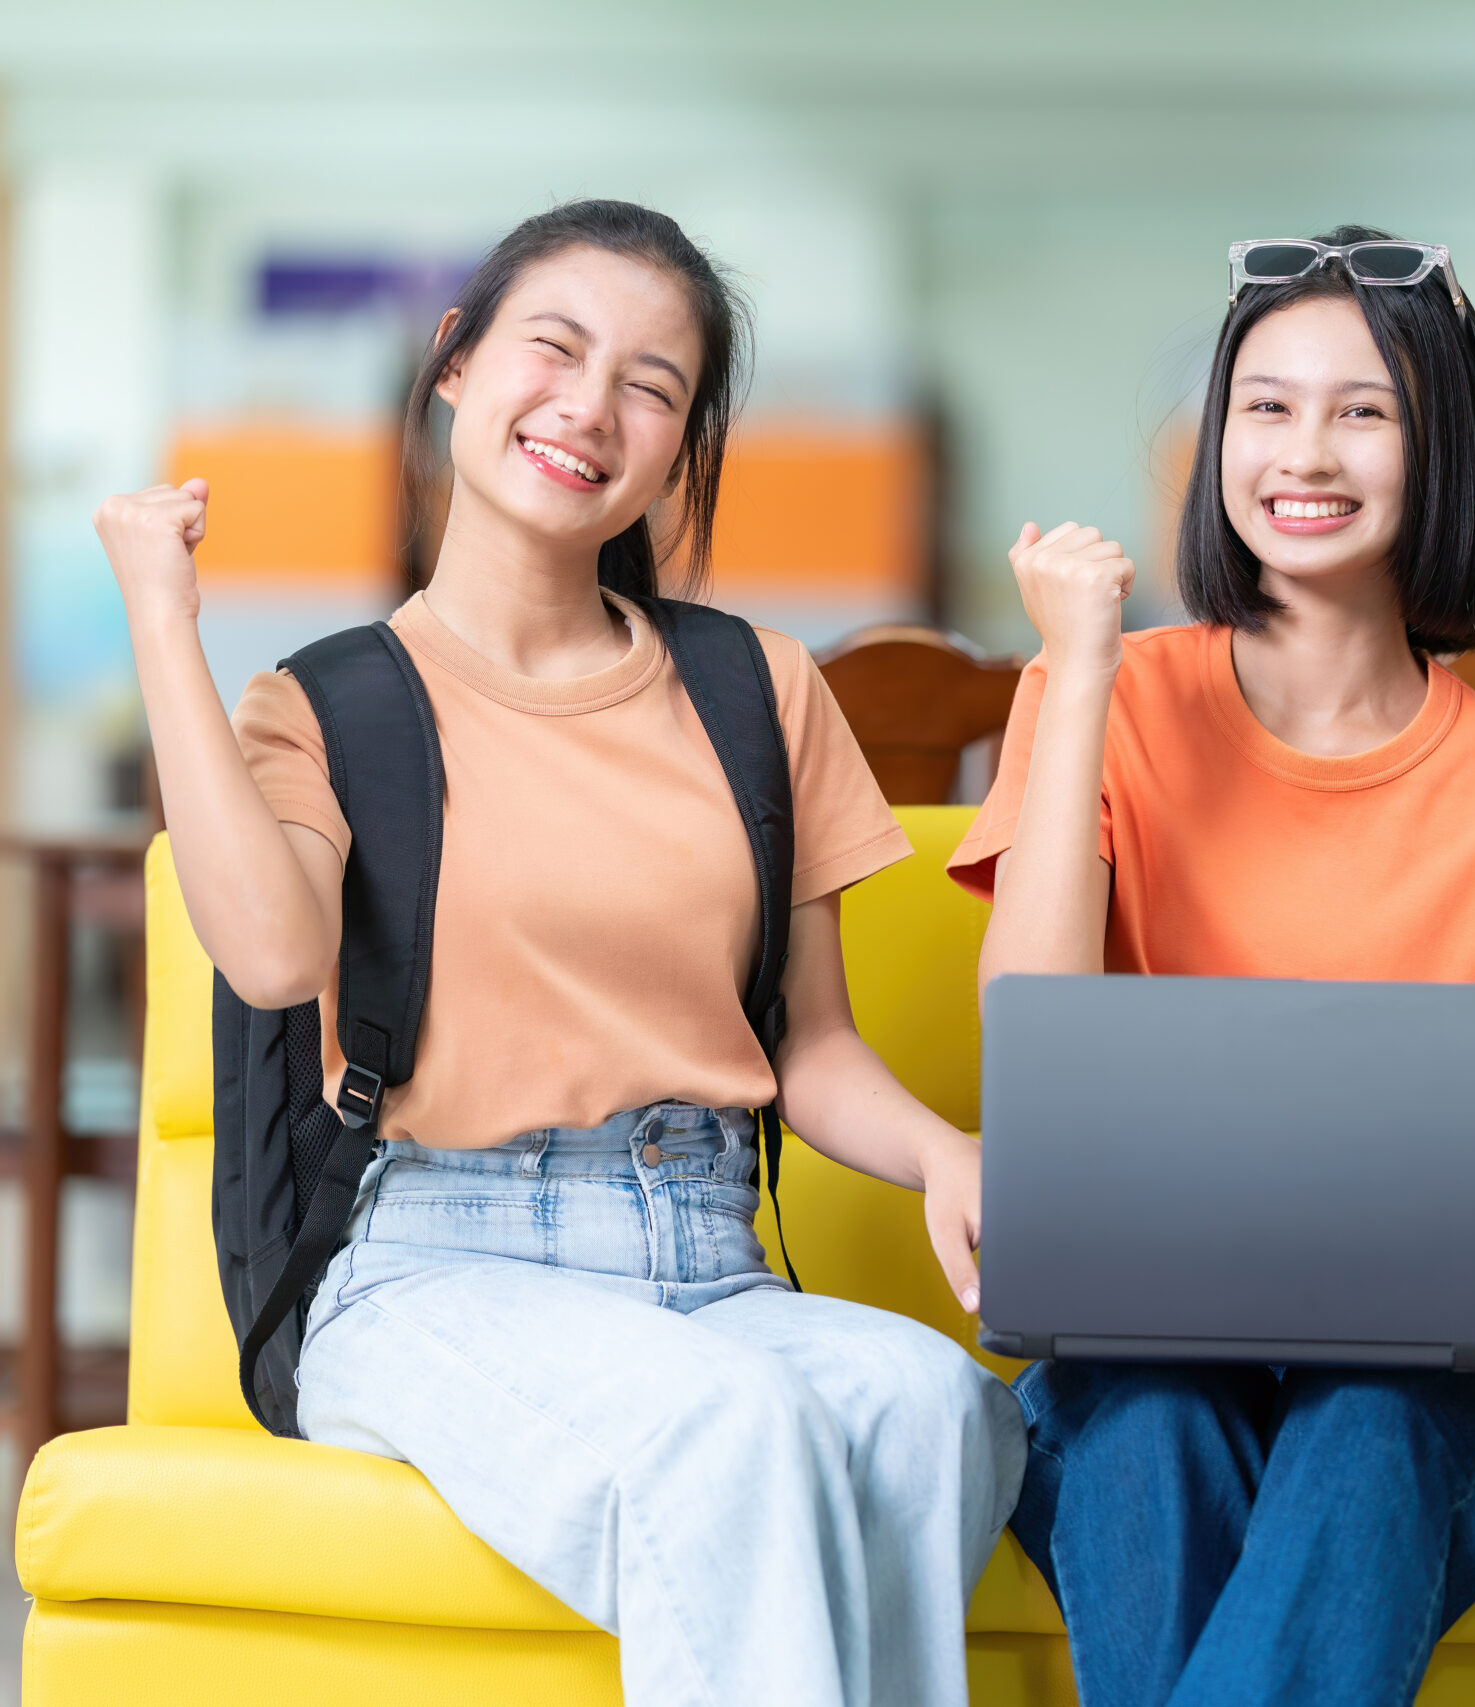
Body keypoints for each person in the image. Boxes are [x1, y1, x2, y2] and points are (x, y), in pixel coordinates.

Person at [94, 199, 1024, 1707]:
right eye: (558, 347)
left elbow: (815, 1049)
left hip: (704, 1255)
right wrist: (162, 626)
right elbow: (270, 959)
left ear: (678, 450)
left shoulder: (757, 690)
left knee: (931, 1406)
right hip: (422, 1266)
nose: (593, 407)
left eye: (653, 386)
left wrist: (948, 1156)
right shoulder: (327, 705)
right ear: (458, 364)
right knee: (734, 1430)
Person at [945, 226, 1475, 1707]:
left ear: (1445, 452)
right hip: (1140, 1349)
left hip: (1431, 1383)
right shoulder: (1097, 699)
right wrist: (1083, 672)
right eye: (1267, 405)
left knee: (1370, 1419)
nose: (1305, 450)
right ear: (1215, 445)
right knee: (1149, 1422)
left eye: (1363, 410)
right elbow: (1031, 1028)